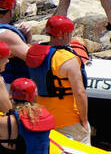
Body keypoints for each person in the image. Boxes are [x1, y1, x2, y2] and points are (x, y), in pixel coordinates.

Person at [26, 15, 90, 143]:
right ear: (65, 35)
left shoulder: (33, 53)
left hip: (41, 116)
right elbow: (79, 92)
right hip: (68, 120)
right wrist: (84, 120)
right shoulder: (68, 59)